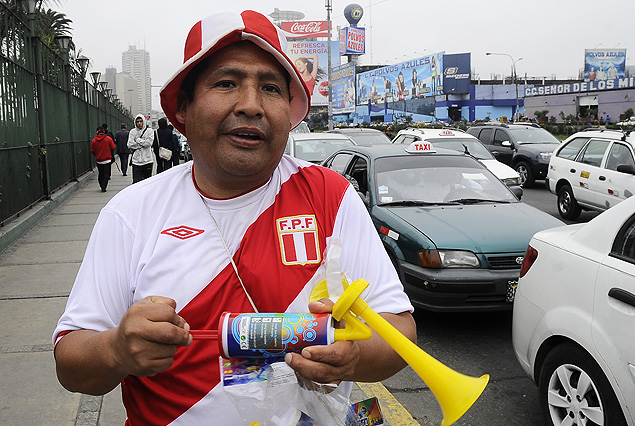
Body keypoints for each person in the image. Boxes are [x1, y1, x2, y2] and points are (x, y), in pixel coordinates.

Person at [53, 10, 415, 426]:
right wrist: (116, 350)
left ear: (290, 111)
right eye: (226, 83)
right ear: (183, 107)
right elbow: (71, 362)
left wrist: (353, 358)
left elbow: (399, 332)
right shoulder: (130, 212)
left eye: (271, 88)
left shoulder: (331, 195)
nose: (250, 105)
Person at [127, 114, 154, 183]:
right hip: (136, 162)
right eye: (137, 121)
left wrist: (138, 140)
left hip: (147, 161)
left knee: (147, 182)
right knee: (136, 182)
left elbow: (149, 143)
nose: (139, 123)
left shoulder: (149, 131)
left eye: (141, 121)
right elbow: (130, 144)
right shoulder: (132, 132)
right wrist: (142, 144)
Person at [90, 126, 115, 193]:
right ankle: (104, 186)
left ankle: (101, 184)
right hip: (107, 159)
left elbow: (92, 150)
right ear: (104, 131)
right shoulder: (108, 139)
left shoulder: (94, 140)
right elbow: (113, 147)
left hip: (99, 160)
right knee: (106, 174)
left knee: (100, 173)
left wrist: (97, 154)